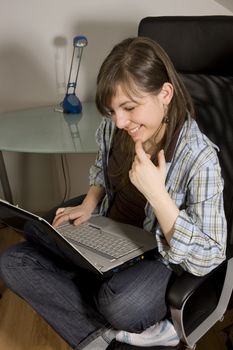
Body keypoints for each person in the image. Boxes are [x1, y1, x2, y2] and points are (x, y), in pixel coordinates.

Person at [0, 37, 227, 350]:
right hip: (110, 230)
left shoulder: (200, 158)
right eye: (113, 110)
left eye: (130, 108)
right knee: (17, 255)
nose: (120, 121)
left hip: (158, 257)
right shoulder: (115, 128)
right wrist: (90, 203)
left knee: (121, 305)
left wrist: (159, 197)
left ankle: (94, 310)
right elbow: (100, 169)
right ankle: (111, 335)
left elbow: (212, 256)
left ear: (165, 94)